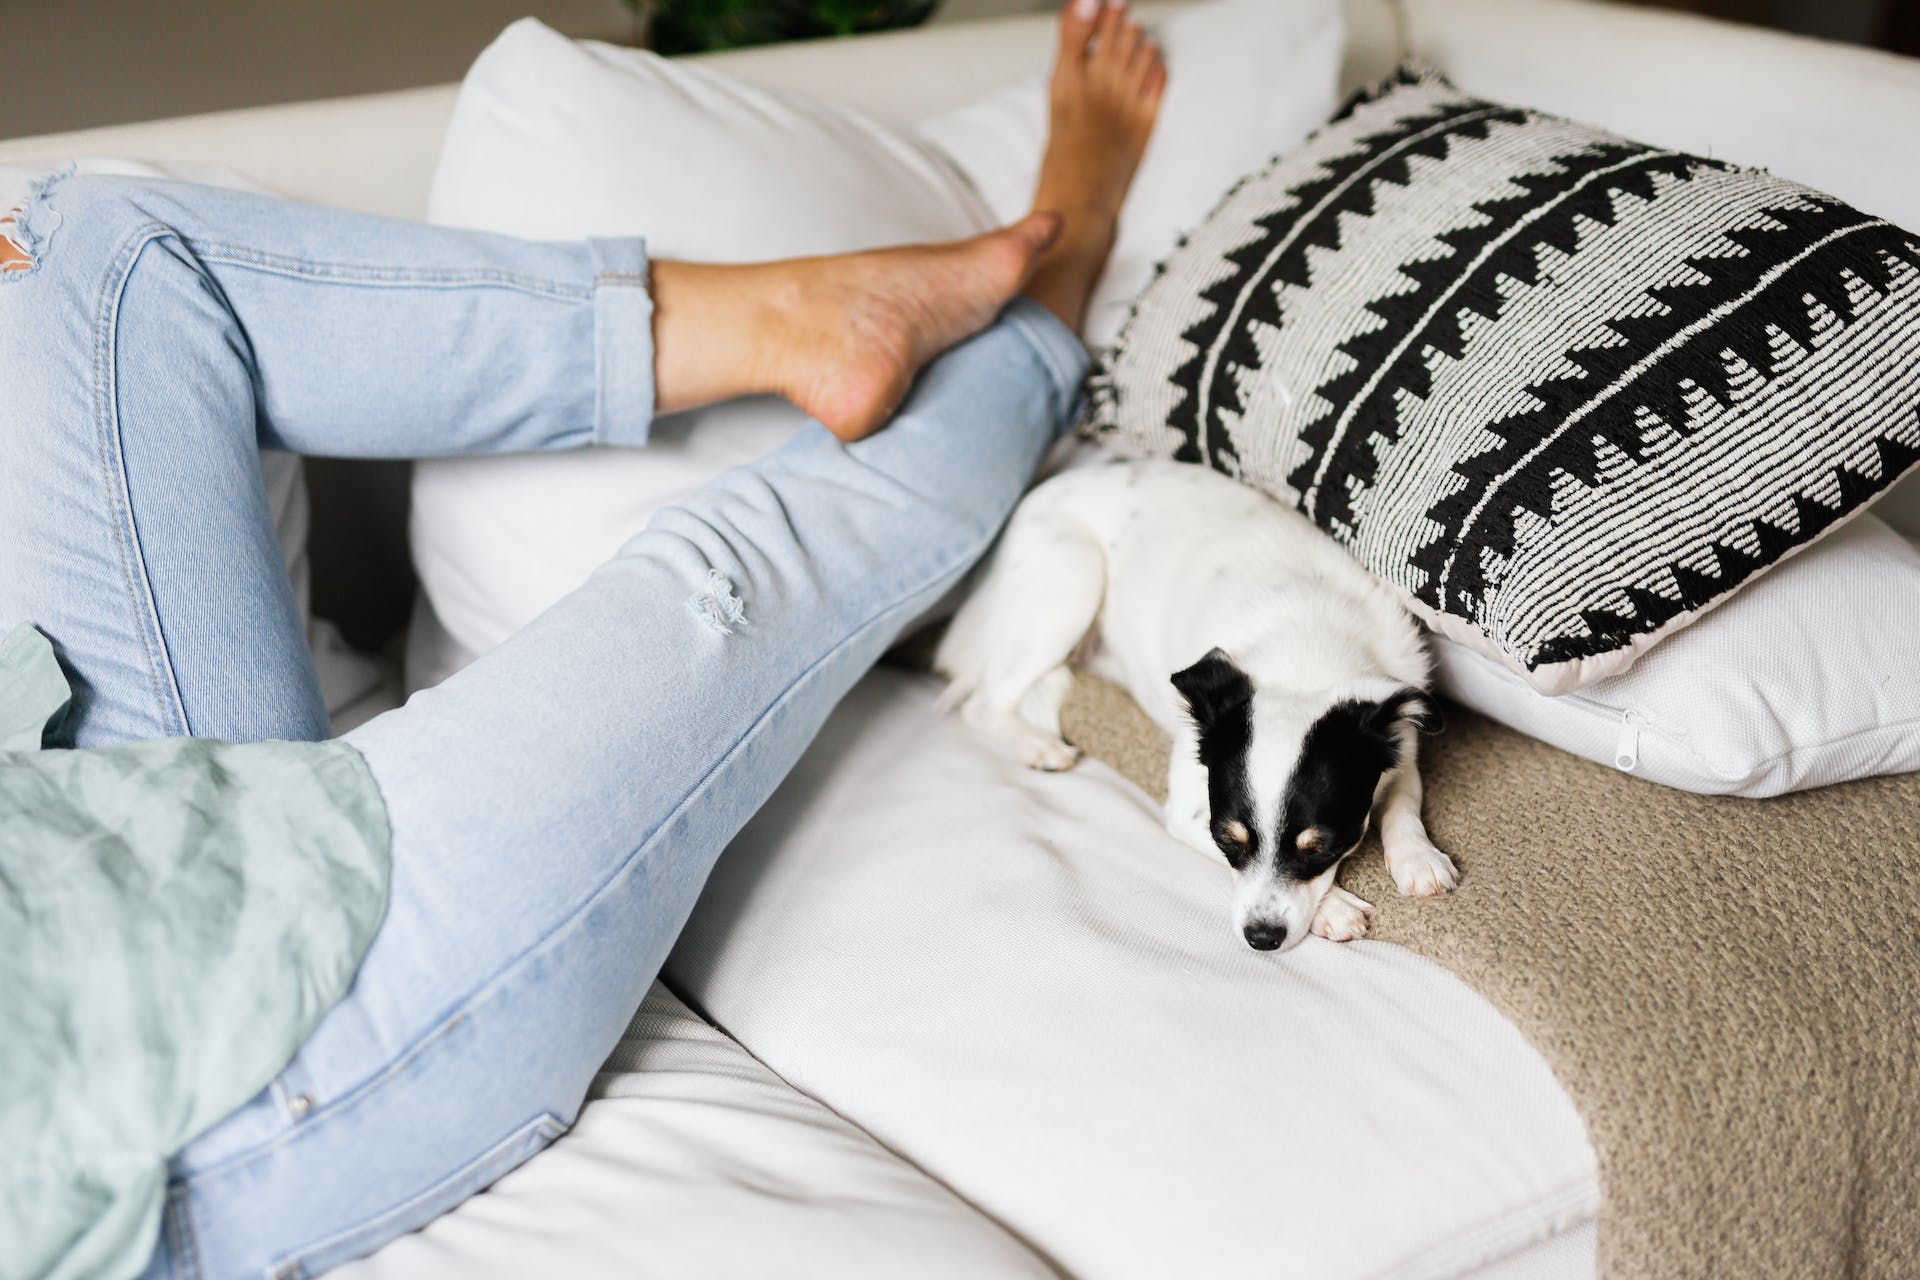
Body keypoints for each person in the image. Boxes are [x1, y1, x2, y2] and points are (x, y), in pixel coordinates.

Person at [0, 2, 1164, 1276]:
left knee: (88, 259)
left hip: (65, 827)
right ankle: (1064, 269)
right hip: (171, 1089)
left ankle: (796, 320)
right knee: (726, 584)